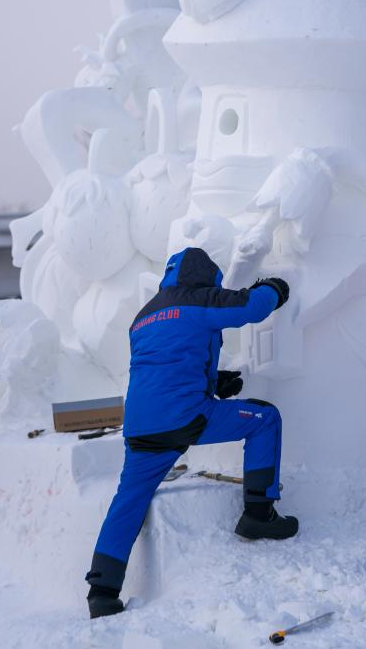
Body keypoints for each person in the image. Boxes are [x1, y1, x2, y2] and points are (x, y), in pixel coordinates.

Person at [85, 246, 297, 619]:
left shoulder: (144, 316)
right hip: (185, 417)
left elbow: (169, 360)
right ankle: (259, 514)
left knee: (129, 500)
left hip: (141, 426)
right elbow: (251, 307)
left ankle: (102, 590)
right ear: (206, 276)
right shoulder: (201, 299)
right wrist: (273, 288)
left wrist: (215, 382)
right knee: (264, 418)